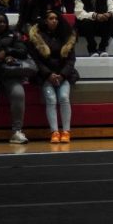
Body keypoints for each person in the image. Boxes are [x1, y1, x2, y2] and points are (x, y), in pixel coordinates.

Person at [28, 10, 78, 143]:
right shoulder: (37, 37)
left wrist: (62, 75)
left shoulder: (67, 36)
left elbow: (71, 60)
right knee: (51, 98)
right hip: (45, 75)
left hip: (63, 74)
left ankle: (66, 131)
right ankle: (54, 132)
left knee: (63, 97)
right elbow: (36, 60)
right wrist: (49, 74)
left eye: (56, 18)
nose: (54, 20)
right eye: (51, 18)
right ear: (45, 20)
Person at [0, 12, 30, 144]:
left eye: (3, 22)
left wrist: (8, 52)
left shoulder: (15, 35)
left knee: (19, 93)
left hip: (10, 73)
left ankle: (16, 132)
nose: (1, 24)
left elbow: (23, 52)